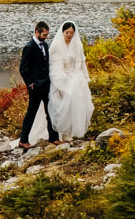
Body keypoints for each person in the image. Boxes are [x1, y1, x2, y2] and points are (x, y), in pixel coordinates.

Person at [48, 20, 93, 141]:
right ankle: (63, 130)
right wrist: (64, 79)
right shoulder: (56, 45)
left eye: (71, 33)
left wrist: (79, 77)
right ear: (62, 32)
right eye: (67, 32)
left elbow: (79, 64)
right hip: (60, 75)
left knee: (78, 92)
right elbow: (54, 65)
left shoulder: (77, 46)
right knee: (66, 94)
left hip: (74, 74)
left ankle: (74, 129)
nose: (69, 35)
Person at [17, 21, 56, 149]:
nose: (46, 37)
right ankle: (23, 140)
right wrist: (30, 83)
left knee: (50, 111)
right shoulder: (29, 47)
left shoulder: (45, 45)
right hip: (35, 87)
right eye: (44, 35)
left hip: (46, 85)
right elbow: (23, 69)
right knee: (31, 113)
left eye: (47, 35)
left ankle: (54, 138)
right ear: (37, 32)